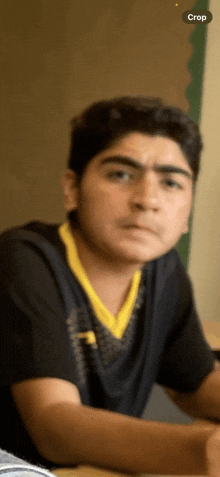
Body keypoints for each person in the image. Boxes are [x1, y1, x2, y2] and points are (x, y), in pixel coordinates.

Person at [1, 95, 220, 476]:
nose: (147, 200)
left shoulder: (161, 269)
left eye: (171, 182)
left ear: (187, 211)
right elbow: (54, 425)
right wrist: (206, 450)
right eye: (121, 174)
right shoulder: (24, 259)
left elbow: (196, 383)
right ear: (72, 188)